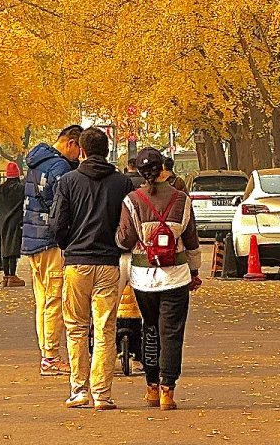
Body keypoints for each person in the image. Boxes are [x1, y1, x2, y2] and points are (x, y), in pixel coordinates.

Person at [48, 125, 132, 411]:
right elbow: (127, 225)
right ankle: (102, 394)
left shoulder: (68, 182)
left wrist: (68, 244)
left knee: (76, 328)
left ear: (81, 151)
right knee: (105, 328)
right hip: (108, 263)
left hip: (77, 263)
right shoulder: (122, 183)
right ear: (107, 151)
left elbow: (57, 223)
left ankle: (79, 389)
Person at [116, 146, 202, 411]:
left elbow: (125, 240)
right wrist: (194, 271)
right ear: (164, 168)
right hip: (176, 275)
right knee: (172, 333)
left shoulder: (132, 200)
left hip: (143, 278)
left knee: (150, 328)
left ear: (140, 172)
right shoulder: (182, 200)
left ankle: (151, 387)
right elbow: (191, 240)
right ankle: (168, 390)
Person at [22, 125, 82, 375]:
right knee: (55, 300)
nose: (79, 156)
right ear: (71, 143)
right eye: (79, 150)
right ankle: (51, 356)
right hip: (50, 240)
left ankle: (46, 352)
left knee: (42, 301)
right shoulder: (60, 167)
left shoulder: (36, 162)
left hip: (33, 240)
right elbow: (60, 208)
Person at [0, 162, 25, 287]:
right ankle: (12, 276)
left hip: (3, 221)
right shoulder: (21, 188)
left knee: (5, 247)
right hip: (16, 221)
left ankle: (6, 276)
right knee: (13, 247)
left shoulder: (1, 189)